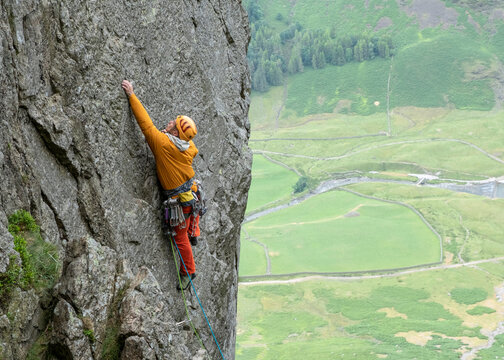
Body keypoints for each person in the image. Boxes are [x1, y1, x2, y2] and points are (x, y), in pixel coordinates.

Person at [121, 80, 200, 290]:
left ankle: (189, 271)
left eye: (172, 125)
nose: (168, 123)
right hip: (191, 193)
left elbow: (145, 125)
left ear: (175, 134)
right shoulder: (187, 145)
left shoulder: (164, 144)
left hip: (180, 201)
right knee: (191, 216)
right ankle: (195, 231)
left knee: (180, 237)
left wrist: (131, 95)